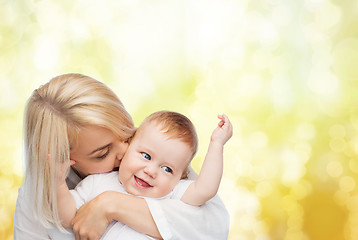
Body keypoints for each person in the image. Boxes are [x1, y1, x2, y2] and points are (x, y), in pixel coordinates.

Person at [13, 73, 230, 240]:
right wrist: (58, 185)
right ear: (64, 159)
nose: (125, 152)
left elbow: (213, 225)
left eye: (126, 134)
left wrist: (111, 205)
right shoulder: (39, 196)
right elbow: (66, 216)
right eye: (103, 153)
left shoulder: (155, 154)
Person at [56, 111, 233, 239]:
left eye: (167, 169)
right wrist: (58, 183)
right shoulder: (97, 182)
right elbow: (68, 218)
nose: (151, 171)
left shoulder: (173, 194)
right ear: (129, 145)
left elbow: (206, 189)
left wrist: (217, 144)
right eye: (146, 156)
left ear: (181, 176)